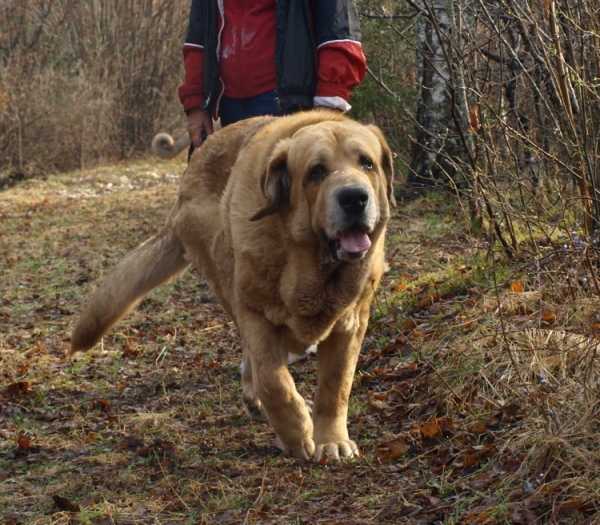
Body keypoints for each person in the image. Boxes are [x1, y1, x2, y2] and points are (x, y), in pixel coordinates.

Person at [178, 0, 367, 148]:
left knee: (286, 192)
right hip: (230, 106)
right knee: (241, 193)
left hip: (290, 104)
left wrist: (328, 103)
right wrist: (197, 104)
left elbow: (339, 33)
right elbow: (198, 39)